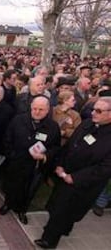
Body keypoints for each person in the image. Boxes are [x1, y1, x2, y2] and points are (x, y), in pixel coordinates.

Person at [35, 96, 111, 249]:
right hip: (65, 174)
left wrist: (75, 178)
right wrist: (60, 164)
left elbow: (105, 168)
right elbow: (70, 146)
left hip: (82, 183)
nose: (92, 113)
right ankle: (61, 230)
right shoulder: (88, 123)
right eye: (92, 109)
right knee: (58, 207)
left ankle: (49, 240)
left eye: (98, 111)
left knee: (64, 211)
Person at [0, 96, 61, 225]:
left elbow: (55, 147)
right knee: (12, 185)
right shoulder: (18, 120)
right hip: (16, 162)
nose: (37, 112)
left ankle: (22, 210)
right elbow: (7, 138)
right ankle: (8, 204)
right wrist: (11, 155)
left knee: (30, 189)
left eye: (41, 109)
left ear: (48, 110)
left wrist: (45, 157)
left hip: (36, 166)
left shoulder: (53, 126)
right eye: (34, 108)